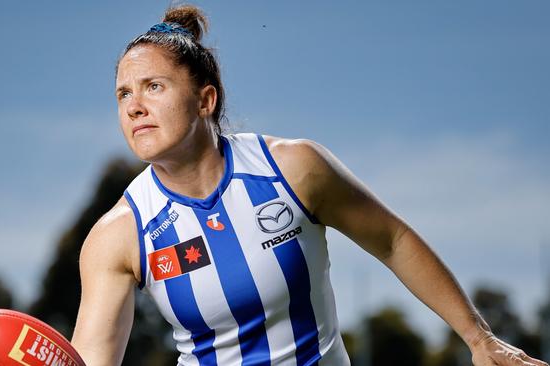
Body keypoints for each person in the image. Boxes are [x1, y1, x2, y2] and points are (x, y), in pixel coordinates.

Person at [70, 5, 548, 366]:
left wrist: (479, 339)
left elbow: (393, 240)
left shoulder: (294, 168)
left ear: (205, 100)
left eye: (153, 86)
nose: (134, 106)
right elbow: (91, 359)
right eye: (123, 94)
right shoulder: (118, 235)